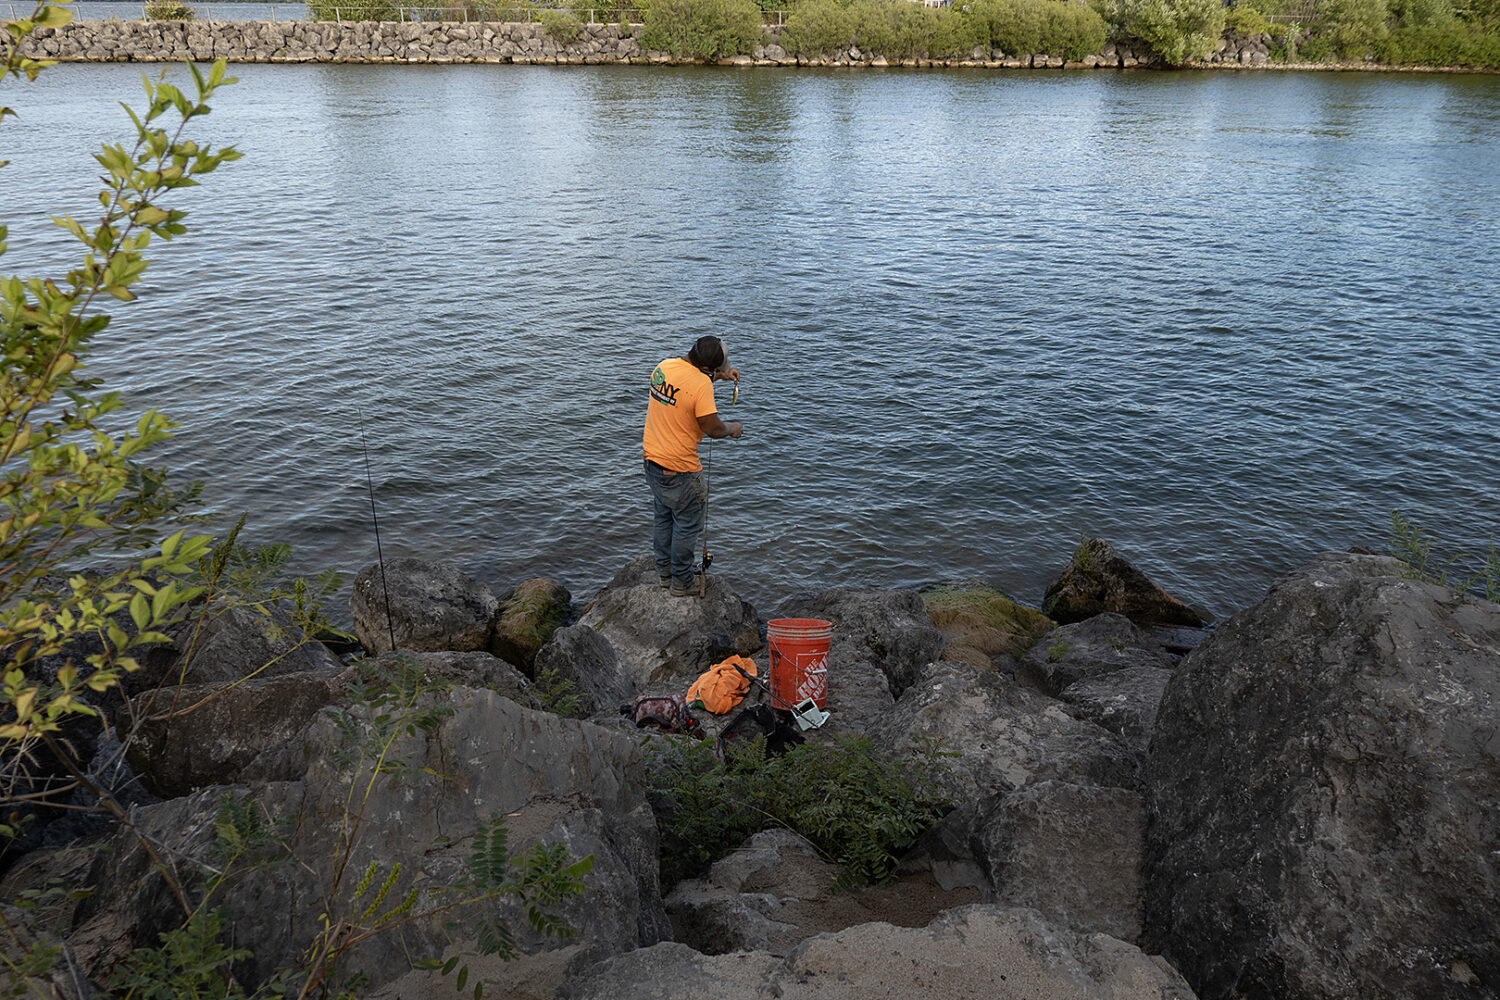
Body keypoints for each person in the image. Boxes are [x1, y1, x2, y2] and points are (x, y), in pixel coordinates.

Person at [643, 335, 743, 597]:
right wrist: (732, 428)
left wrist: (721, 376)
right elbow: (712, 428)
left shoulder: (664, 367)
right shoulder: (701, 385)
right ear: (708, 368)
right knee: (686, 525)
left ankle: (665, 575)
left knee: (663, 518)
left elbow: (687, 385)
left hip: (652, 461)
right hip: (682, 470)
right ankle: (682, 582)